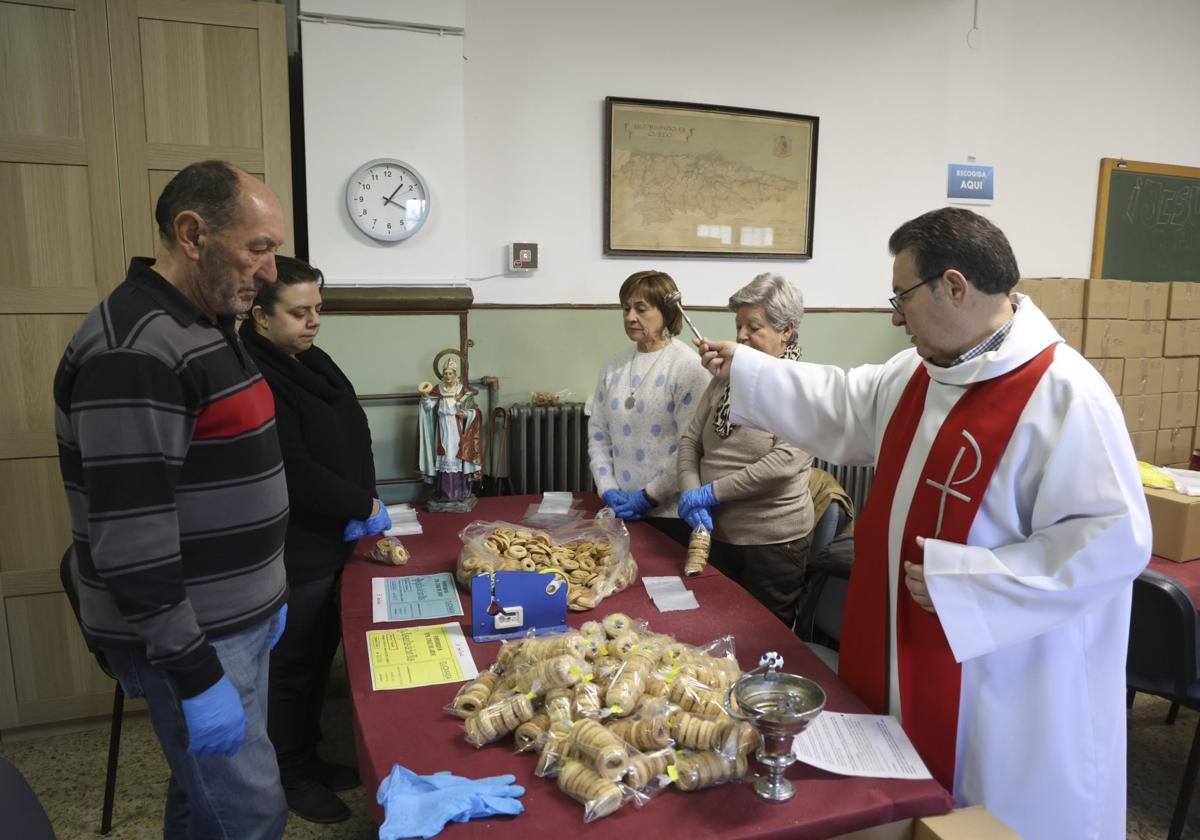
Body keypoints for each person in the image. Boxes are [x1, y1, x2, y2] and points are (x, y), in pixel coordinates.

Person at [698, 207, 1150, 840]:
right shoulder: (920, 372)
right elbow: (840, 402)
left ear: (956, 286)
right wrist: (746, 368)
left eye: (902, 295)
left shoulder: (1066, 395)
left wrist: (965, 582)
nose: (894, 314)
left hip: (1002, 678)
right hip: (900, 640)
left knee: (981, 810)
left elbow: (1111, 543)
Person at [54, 160, 291, 838]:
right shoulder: (136, 349)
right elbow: (130, 540)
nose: (270, 271)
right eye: (258, 248)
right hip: (197, 638)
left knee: (203, 798)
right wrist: (194, 671)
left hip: (234, 621)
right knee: (250, 813)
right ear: (193, 234)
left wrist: (266, 592)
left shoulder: (204, 319)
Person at [241, 256, 388, 823]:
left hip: (333, 539)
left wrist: (365, 502)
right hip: (294, 546)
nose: (313, 321)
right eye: (299, 312)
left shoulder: (310, 359)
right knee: (293, 666)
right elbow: (292, 468)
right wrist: (361, 505)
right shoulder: (256, 372)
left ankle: (309, 756)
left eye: (319, 309)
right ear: (259, 315)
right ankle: (289, 774)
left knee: (319, 655)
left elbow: (353, 432)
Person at [676, 273, 815, 626]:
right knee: (715, 630)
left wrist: (712, 492)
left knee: (763, 638)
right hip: (714, 534)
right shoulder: (727, 377)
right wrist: (692, 492)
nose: (740, 336)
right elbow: (691, 441)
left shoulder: (803, 384)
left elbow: (783, 463)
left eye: (753, 327)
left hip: (770, 544)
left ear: (787, 330)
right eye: (738, 325)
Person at [587, 270, 711, 545]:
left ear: (666, 312)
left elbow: (690, 447)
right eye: (626, 308)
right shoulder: (613, 366)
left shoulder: (688, 368)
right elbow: (598, 434)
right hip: (619, 511)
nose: (630, 317)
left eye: (641, 309)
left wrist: (648, 496)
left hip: (672, 516)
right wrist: (607, 489)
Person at [417, 354, 484, 511]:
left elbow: (475, 410)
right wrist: (426, 398)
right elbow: (428, 408)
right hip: (441, 428)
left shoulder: (462, 390)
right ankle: (444, 493)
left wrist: (466, 414)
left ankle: (459, 492)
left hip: (457, 428)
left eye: (450, 373)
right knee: (444, 457)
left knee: (455, 458)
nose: (447, 376)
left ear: (455, 375)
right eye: (445, 373)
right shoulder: (437, 390)